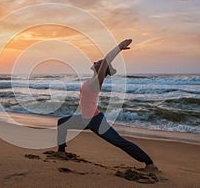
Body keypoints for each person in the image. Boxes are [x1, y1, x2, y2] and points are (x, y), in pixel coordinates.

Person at [57, 39, 157, 170]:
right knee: (62, 123)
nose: (97, 62)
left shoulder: (96, 82)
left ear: (102, 70)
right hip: (85, 119)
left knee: (119, 142)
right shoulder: (91, 80)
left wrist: (119, 47)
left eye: (100, 63)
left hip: (96, 121)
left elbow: (106, 60)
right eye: (99, 62)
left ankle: (149, 162)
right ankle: (61, 152)